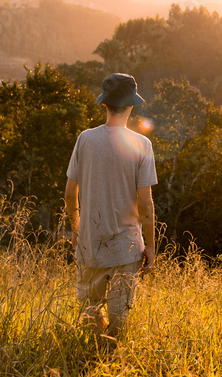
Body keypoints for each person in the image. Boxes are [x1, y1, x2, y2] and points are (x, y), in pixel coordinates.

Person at [64, 73, 157, 346]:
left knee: (90, 316)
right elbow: (145, 204)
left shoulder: (85, 139)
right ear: (131, 106)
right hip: (126, 248)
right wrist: (150, 246)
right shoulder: (142, 145)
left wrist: (77, 230)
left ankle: (92, 358)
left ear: (104, 105)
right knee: (119, 324)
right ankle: (110, 362)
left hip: (89, 245)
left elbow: (70, 193)